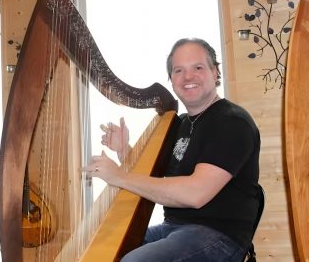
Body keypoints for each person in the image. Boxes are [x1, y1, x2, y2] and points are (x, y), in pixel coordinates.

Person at [82, 38, 261, 261]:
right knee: (102, 251)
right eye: (178, 70)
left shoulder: (232, 122)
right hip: (174, 228)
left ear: (215, 72)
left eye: (198, 67)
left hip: (220, 236)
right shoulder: (179, 124)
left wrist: (119, 177)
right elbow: (157, 178)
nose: (188, 77)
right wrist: (123, 150)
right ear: (171, 79)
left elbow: (195, 194)